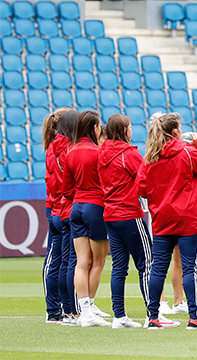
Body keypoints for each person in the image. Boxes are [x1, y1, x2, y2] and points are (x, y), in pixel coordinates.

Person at [139, 113, 197, 330]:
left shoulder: (151, 156)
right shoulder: (188, 152)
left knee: (158, 269)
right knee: (189, 268)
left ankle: (152, 316)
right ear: (176, 131)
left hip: (162, 218)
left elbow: (141, 188)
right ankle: (193, 316)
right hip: (188, 218)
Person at [97, 114, 150, 328]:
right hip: (129, 213)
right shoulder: (128, 153)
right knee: (147, 263)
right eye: (130, 126)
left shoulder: (101, 153)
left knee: (119, 266)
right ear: (125, 130)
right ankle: (153, 314)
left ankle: (118, 316)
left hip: (110, 213)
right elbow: (144, 178)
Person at [65, 111, 111, 327]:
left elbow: (66, 189)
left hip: (76, 207)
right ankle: (90, 309)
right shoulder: (98, 152)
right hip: (96, 206)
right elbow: (107, 183)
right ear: (94, 128)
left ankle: (83, 311)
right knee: (98, 262)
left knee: (82, 262)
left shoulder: (71, 152)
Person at [42, 109, 71, 323]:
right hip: (61, 206)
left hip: (55, 206)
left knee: (57, 259)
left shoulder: (53, 147)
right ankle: (58, 308)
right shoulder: (66, 149)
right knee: (60, 260)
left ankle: (57, 308)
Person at [55, 109, 80, 325]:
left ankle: (67, 309)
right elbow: (69, 187)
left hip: (62, 209)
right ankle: (73, 310)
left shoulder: (56, 148)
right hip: (71, 208)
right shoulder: (69, 150)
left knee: (65, 262)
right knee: (74, 261)